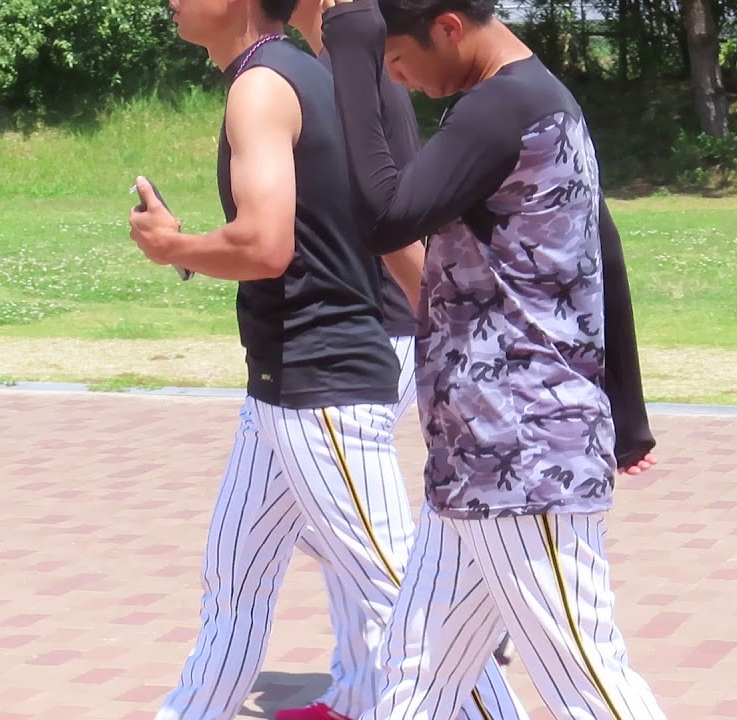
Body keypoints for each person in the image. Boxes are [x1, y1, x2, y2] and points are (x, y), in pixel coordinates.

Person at [126, 0, 528, 717]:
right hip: (281, 386)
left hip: (322, 388)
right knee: (234, 584)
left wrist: (172, 247)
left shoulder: (262, 86)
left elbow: (265, 245)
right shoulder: (303, 74)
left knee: (402, 601)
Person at [319, 0, 669, 717]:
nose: (398, 79)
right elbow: (602, 251)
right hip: (478, 459)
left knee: (589, 686)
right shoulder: (539, 100)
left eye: (398, 59)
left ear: (449, 26)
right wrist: (627, 414)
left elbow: (385, 216)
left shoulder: (501, 109)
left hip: (522, 457)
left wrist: (350, 46)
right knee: (417, 675)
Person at [275, 5, 527, 720]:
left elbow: (392, 211)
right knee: (330, 520)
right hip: (350, 324)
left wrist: (432, 318)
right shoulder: (327, 65)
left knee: (356, 528)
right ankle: (361, 689)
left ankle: (474, 611)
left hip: (374, 321)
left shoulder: (362, 67)